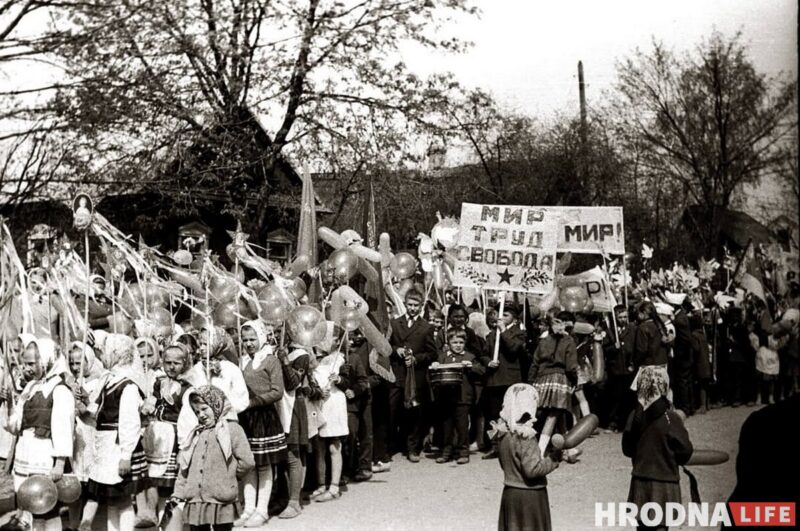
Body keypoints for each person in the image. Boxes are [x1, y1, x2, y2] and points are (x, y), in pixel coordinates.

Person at [6, 337, 74, 531]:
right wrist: (9, 404)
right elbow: (16, 423)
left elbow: (63, 428)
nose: (25, 368)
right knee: (29, 504)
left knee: (47, 507)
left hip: (44, 455)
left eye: (30, 363)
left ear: (45, 360)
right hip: (26, 453)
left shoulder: (59, 390)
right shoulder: (31, 387)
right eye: (24, 363)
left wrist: (60, 462)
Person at [84, 334, 147, 531]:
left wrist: (126, 456)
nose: (101, 356)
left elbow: (130, 423)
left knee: (122, 499)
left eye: (104, 352)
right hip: (105, 447)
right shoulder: (108, 381)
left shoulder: (127, 386)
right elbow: (97, 412)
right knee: (111, 498)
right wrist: (82, 408)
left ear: (116, 354)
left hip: (118, 447)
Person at [172, 386, 255, 531]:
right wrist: (178, 492)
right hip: (196, 501)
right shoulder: (195, 435)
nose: (201, 415)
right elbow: (185, 467)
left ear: (216, 405)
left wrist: (229, 477)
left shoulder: (232, 430)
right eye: (197, 412)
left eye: (204, 409)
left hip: (221, 500)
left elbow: (247, 461)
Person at [622, 366, 693, 531]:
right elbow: (685, 451)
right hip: (664, 483)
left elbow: (627, 449)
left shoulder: (635, 415)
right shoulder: (670, 418)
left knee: (642, 527)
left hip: (640, 482)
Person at [137, 344, 196, 529]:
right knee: (158, 482)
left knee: (171, 485)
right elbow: (153, 400)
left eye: (176, 363)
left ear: (184, 364)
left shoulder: (187, 389)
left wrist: (182, 449)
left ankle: (172, 522)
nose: (172, 367)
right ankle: (160, 518)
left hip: (175, 437)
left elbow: (188, 421)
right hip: (158, 437)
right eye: (168, 362)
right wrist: (148, 406)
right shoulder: (159, 382)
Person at [492, 383, 565, 531]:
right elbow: (532, 470)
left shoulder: (502, 433)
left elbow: (505, 463)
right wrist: (554, 459)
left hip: (510, 493)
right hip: (530, 497)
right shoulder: (526, 436)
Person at [235, 320, 287, 527]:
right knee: (248, 465)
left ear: (261, 338)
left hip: (264, 417)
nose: (248, 344)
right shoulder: (241, 362)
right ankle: (248, 508)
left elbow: (277, 391)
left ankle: (262, 509)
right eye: (245, 340)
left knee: (263, 464)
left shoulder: (270, 360)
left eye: (252, 339)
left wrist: (254, 402)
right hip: (245, 418)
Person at [387, 290, 437, 462]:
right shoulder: (394, 323)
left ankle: (412, 448)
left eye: (416, 305)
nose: (413, 308)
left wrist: (416, 358)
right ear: (405, 304)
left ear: (421, 306)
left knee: (414, 413)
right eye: (410, 305)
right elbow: (386, 346)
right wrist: (396, 350)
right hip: (397, 375)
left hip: (416, 377)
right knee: (392, 411)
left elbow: (432, 354)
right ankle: (391, 446)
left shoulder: (426, 327)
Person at [64, 342, 106, 530]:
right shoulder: (69, 383)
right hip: (75, 436)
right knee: (74, 482)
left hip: (92, 434)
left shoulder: (101, 380)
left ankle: (86, 521)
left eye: (79, 363)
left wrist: (86, 402)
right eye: (72, 363)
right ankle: (73, 522)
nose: (75, 368)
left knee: (91, 482)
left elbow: (101, 411)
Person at [429, 329, 484, 464]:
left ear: (465, 343)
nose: (458, 345)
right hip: (446, 396)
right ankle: (446, 452)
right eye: (455, 342)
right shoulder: (443, 356)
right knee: (446, 426)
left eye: (461, 342)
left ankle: (463, 452)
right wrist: (435, 365)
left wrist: (471, 366)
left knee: (462, 426)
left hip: (463, 396)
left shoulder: (470, 356)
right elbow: (433, 373)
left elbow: (481, 370)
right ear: (449, 343)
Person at [527, 311, 578, 453]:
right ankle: (540, 450)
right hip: (561, 379)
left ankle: (567, 449)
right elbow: (571, 366)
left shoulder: (543, 341)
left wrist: (530, 382)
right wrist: (575, 381)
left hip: (541, 379)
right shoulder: (569, 342)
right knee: (553, 414)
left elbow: (535, 363)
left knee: (558, 413)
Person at [480, 302, 526, 459]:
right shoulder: (492, 334)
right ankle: (495, 446)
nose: (501, 318)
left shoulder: (519, 332)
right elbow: (484, 353)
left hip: (510, 379)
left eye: (506, 315)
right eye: (500, 314)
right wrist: (488, 362)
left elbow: (513, 349)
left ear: (514, 317)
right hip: (494, 379)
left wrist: (504, 330)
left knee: (512, 414)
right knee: (493, 415)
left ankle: (512, 446)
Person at [309, 326, 349, 502]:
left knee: (334, 445)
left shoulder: (340, 359)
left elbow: (349, 381)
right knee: (319, 446)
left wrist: (339, 379)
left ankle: (334, 486)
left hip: (334, 404)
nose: (326, 341)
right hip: (321, 403)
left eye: (331, 338)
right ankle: (321, 484)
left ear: (338, 341)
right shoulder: (318, 359)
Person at [342, 329, 373, 482]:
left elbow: (363, 381)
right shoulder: (327, 359)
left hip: (352, 404)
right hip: (331, 404)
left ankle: (354, 468)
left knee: (352, 435)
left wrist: (354, 391)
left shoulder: (353, 358)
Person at [604, 305, 636, 432]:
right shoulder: (610, 331)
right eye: (621, 317)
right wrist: (613, 348)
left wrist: (633, 363)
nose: (623, 319)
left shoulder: (632, 329)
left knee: (629, 397)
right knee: (616, 397)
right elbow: (605, 350)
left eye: (625, 317)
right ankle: (614, 423)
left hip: (629, 369)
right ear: (615, 317)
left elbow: (636, 347)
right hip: (616, 369)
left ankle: (627, 424)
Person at [690, 313, 712, 414]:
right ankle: (708, 404)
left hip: (699, 362)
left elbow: (696, 349)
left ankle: (702, 406)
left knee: (701, 385)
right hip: (706, 361)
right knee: (706, 384)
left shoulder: (694, 335)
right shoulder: (703, 334)